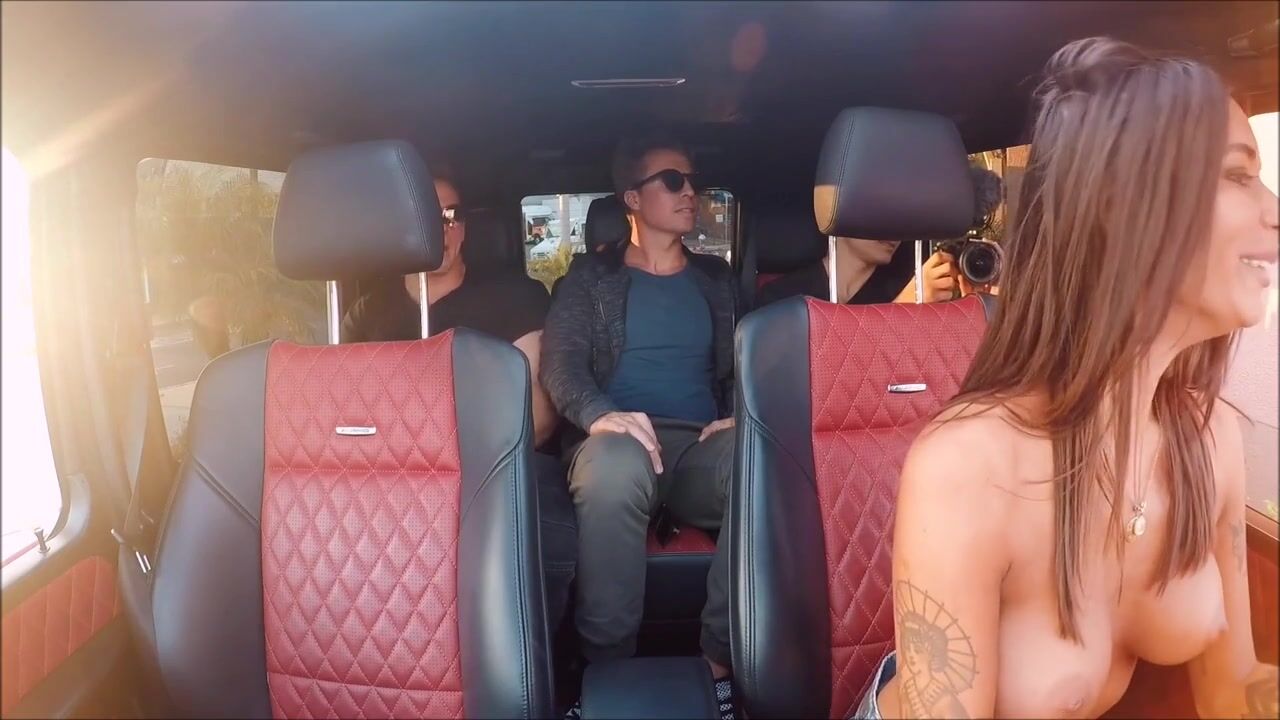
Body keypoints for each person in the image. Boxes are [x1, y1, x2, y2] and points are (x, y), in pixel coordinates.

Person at [856, 37, 1279, 719]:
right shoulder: (970, 467)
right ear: (1122, 204)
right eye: (1237, 175)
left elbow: (1232, 691)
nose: (1274, 208)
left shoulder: (1211, 440)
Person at [540, 133, 739, 716]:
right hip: (616, 442)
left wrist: (740, 415)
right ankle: (605, 679)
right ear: (632, 198)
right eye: (673, 181)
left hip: (700, 447)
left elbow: (745, 364)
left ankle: (719, 670)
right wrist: (600, 415)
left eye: (692, 180)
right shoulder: (588, 278)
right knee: (615, 467)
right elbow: (561, 363)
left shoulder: (716, 280)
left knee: (758, 458)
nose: (689, 191)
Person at [341, 170, 577, 635]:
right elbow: (345, 415)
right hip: (391, 471)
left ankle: (539, 664)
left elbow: (537, 420)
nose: (443, 228)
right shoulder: (367, 313)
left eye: (452, 216)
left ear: (465, 229)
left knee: (541, 528)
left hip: (501, 464)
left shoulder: (516, 298)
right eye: (428, 216)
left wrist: (452, 464)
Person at [755, 166, 1005, 308]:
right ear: (839, 207)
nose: (896, 226)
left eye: (905, 214)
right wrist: (903, 309)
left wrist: (976, 308)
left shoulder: (916, 285)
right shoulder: (783, 301)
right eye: (881, 208)